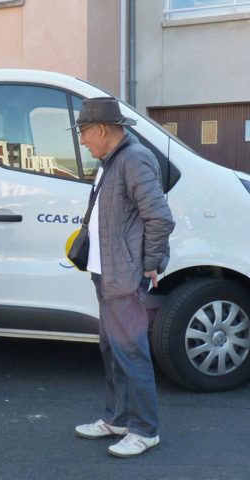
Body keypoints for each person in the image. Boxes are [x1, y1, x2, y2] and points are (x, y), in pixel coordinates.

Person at [71, 97, 175, 457]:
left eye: (84, 132)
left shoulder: (133, 159)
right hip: (106, 273)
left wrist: (149, 263)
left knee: (130, 352)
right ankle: (116, 419)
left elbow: (160, 217)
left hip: (124, 276)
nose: (82, 141)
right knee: (112, 349)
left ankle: (145, 430)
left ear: (101, 129)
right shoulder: (110, 160)